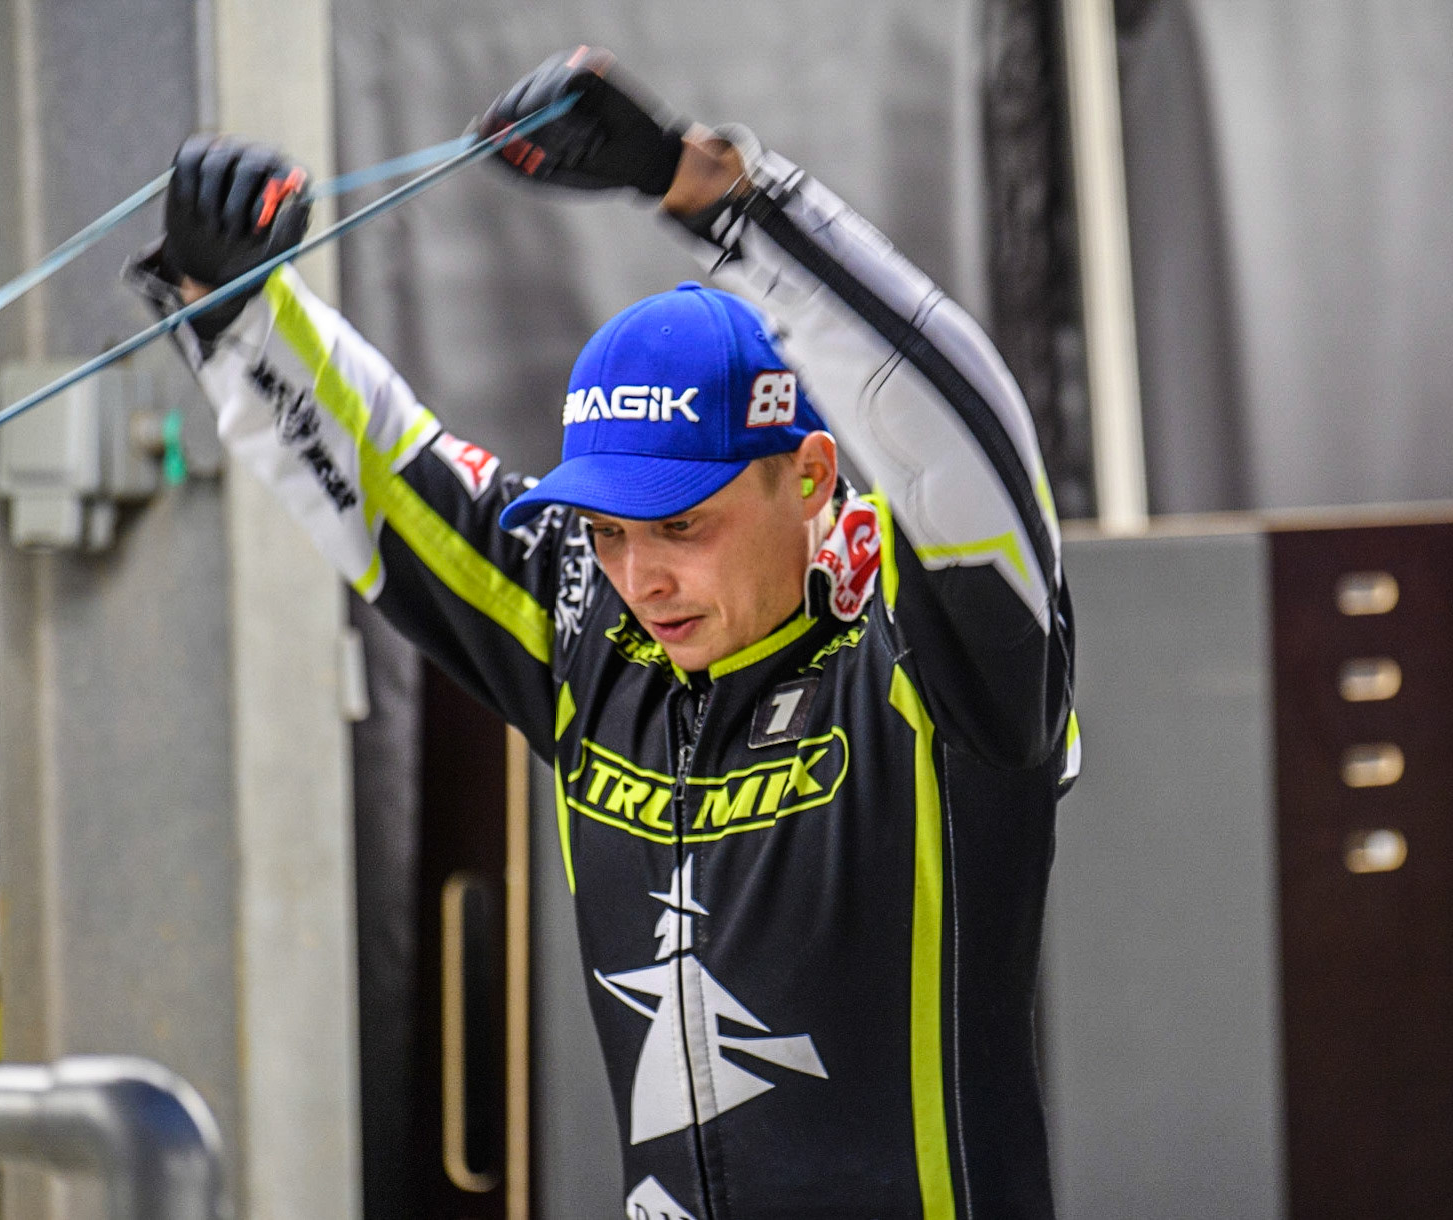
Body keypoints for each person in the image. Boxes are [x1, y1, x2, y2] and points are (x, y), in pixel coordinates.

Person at [138, 46, 1075, 1220]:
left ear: (811, 474)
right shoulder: (588, 618)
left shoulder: (935, 655)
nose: (642, 578)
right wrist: (234, 308)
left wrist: (718, 194)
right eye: (608, 529)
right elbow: (387, 474)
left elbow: (972, 441)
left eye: (681, 523)